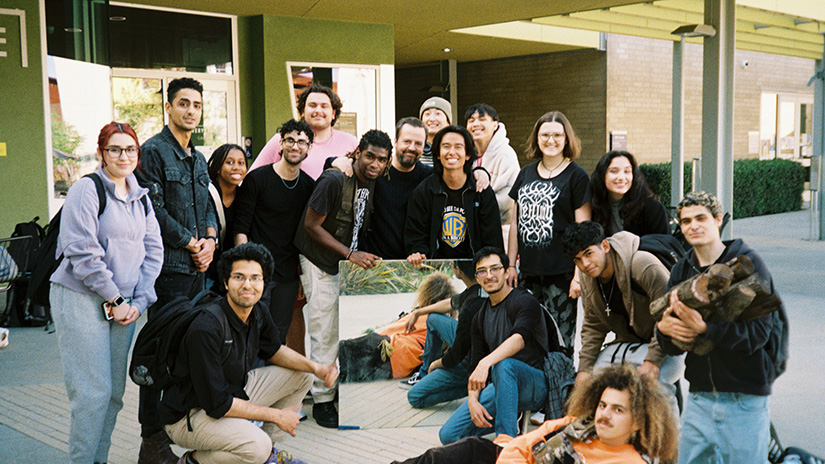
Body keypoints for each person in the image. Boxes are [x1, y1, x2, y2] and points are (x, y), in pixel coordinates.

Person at [160, 243, 337, 464]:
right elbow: (218, 404)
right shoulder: (206, 328)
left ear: (264, 283)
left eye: (255, 278)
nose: (248, 285)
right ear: (225, 282)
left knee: (301, 375)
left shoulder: (257, 310)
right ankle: (193, 460)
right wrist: (277, 416)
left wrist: (317, 368)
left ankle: (268, 456)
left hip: (231, 393)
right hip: (190, 416)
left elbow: (273, 350)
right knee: (256, 447)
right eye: (239, 277)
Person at [49, 122, 163, 464]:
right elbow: (81, 251)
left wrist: (138, 302)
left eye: (130, 149)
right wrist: (115, 299)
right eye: (115, 149)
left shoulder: (140, 196)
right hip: (81, 298)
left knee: (113, 394)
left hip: (124, 306)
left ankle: (99, 459)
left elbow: (153, 250)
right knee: (91, 394)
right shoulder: (87, 190)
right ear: (102, 153)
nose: (123, 156)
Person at [656, 191, 785, 464]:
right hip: (700, 398)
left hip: (744, 398)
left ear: (718, 220)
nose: (693, 226)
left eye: (701, 218)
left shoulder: (748, 263)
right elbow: (671, 341)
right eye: (686, 221)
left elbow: (758, 335)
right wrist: (664, 332)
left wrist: (705, 330)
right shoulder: (682, 270)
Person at [135, 77, 218, 464]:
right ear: (168, 107)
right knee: (161, 354)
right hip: (169, 272)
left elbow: (206, 209)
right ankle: (150, 438)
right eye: (183, 103)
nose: (190, 110)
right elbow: (155, 211)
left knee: (190, 353)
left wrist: (212, 241)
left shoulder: (198, 157)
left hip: (198, 271)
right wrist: (191, 243)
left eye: (197, 105)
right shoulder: (152, 152)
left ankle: (186, 428)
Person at [293, 129, 392, 428]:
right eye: (370, 156)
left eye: (382, 159)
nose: (375, 163)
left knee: (341, 330)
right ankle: (322, 399)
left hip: (342, 265)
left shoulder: (370, 182)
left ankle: (334, 389)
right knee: (324, 331)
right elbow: (311, 226)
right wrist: (350, 254)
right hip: (319, 260)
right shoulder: (335, 179)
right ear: (358, 152)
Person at [391, 364, 677, 464]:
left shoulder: (629, 462)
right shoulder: (578, 425)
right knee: (465, 450)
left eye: (618, 410)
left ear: (638, 421)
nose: (604, 415)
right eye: (603, 405)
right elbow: (523, 444)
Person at [561, 221, 684, 416]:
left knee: (652, 391)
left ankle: (668, 443)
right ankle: (606, 442)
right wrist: (584, 370)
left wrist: (652, 361)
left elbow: (672, 314)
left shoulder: (642, 264)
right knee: (592, 384)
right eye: (577, 259)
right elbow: (593, 325)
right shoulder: (588, 277)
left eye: (588, 253)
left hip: (669, 340)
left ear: (605, 246)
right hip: (631, 343)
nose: (585, 264)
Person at [439, 247, 549, 445]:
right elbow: (474, 365)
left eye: (495, 269)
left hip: (535, 384)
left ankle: (505, 443)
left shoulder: (524, 301)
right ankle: (494, 433)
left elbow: (519, 338)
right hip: (500, 384)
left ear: (507, 271)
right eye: (482, 271)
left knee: (503, 365)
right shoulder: (479, 317)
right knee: (449, 435)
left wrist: (486, 363)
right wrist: (473, 401)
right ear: (477, 277)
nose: (489, 275)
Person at [506, 111, 592, 355]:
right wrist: (511, 265)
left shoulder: (577, 176)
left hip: (561, 275)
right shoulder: (525, 173)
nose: (550, 140)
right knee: (526, 336)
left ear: (567, 139)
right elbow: (515, 223)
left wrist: (578, 277)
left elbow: (583, 231)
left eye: (557, 135)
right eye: (545, 134)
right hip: (529, 274)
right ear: (537, 138)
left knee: (559, 340)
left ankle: (561, 389)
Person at [234, 119, 316, 341]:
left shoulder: (309, 186)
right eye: (290, 140)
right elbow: (240, 228)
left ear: (309, 148)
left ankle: (269, 377)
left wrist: (300, 276)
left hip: (287, 276)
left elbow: (307, 236)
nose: (295, 146)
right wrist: (244, 271)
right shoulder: (257, 179)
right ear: (280, 144)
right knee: (250, 333)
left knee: (276, 338)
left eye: (302, 142)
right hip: (257, 272)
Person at [405, 125, 504, 266]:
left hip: (476, 272)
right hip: (435, 272)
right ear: (438, 154)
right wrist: (418, 253)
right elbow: (416, 236)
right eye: (446, 146)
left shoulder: (481, 190)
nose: (452, 152)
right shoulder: (424, 191)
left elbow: (493, 240)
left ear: (468, 154)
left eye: (458, 147)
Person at [403, 261, 486, 409]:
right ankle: (424, 375)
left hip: (468, 360)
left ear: (458, 270)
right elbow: (450, 303)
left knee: (414, 397)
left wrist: (437, 364)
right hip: (473, 345)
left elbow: (456, 355)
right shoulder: (477, 291)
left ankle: (469, 386)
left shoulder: (468, 310)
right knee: (433, 319)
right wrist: (418, 312)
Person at [249, 84, 357, 180]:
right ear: (302, 112)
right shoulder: (283, 140)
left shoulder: (350, 142)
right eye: (312, 105)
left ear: (333, 113)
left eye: (324, 106)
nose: (318, 111)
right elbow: (253, 177)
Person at [465, 104, 520, 244]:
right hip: (474, 232)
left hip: (501, 232)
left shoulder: (506, 154)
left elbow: (511, 197)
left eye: (482, 119)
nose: (476, 124)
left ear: (495, 125)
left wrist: (477, 206)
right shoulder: (467, 155)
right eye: (471, 120)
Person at [590, 151, 670, 237]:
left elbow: (664, 243)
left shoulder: (653, 207)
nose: (621, 177)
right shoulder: (593, 206)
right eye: (614, 171)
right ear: (602, 175)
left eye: (627, 171)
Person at [205, 143, 248, 293]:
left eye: (241, 163)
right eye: (229, 162)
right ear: (218, 168)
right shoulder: (207, 194)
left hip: (232, 270)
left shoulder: (245, 196)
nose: (236, 167)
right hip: (207, 270)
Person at [419, 96, 452, 166]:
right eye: (427, 114)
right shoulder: (414, 149)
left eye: (438, 114)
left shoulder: (455, 150)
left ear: (448, 122)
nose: (432, 119)